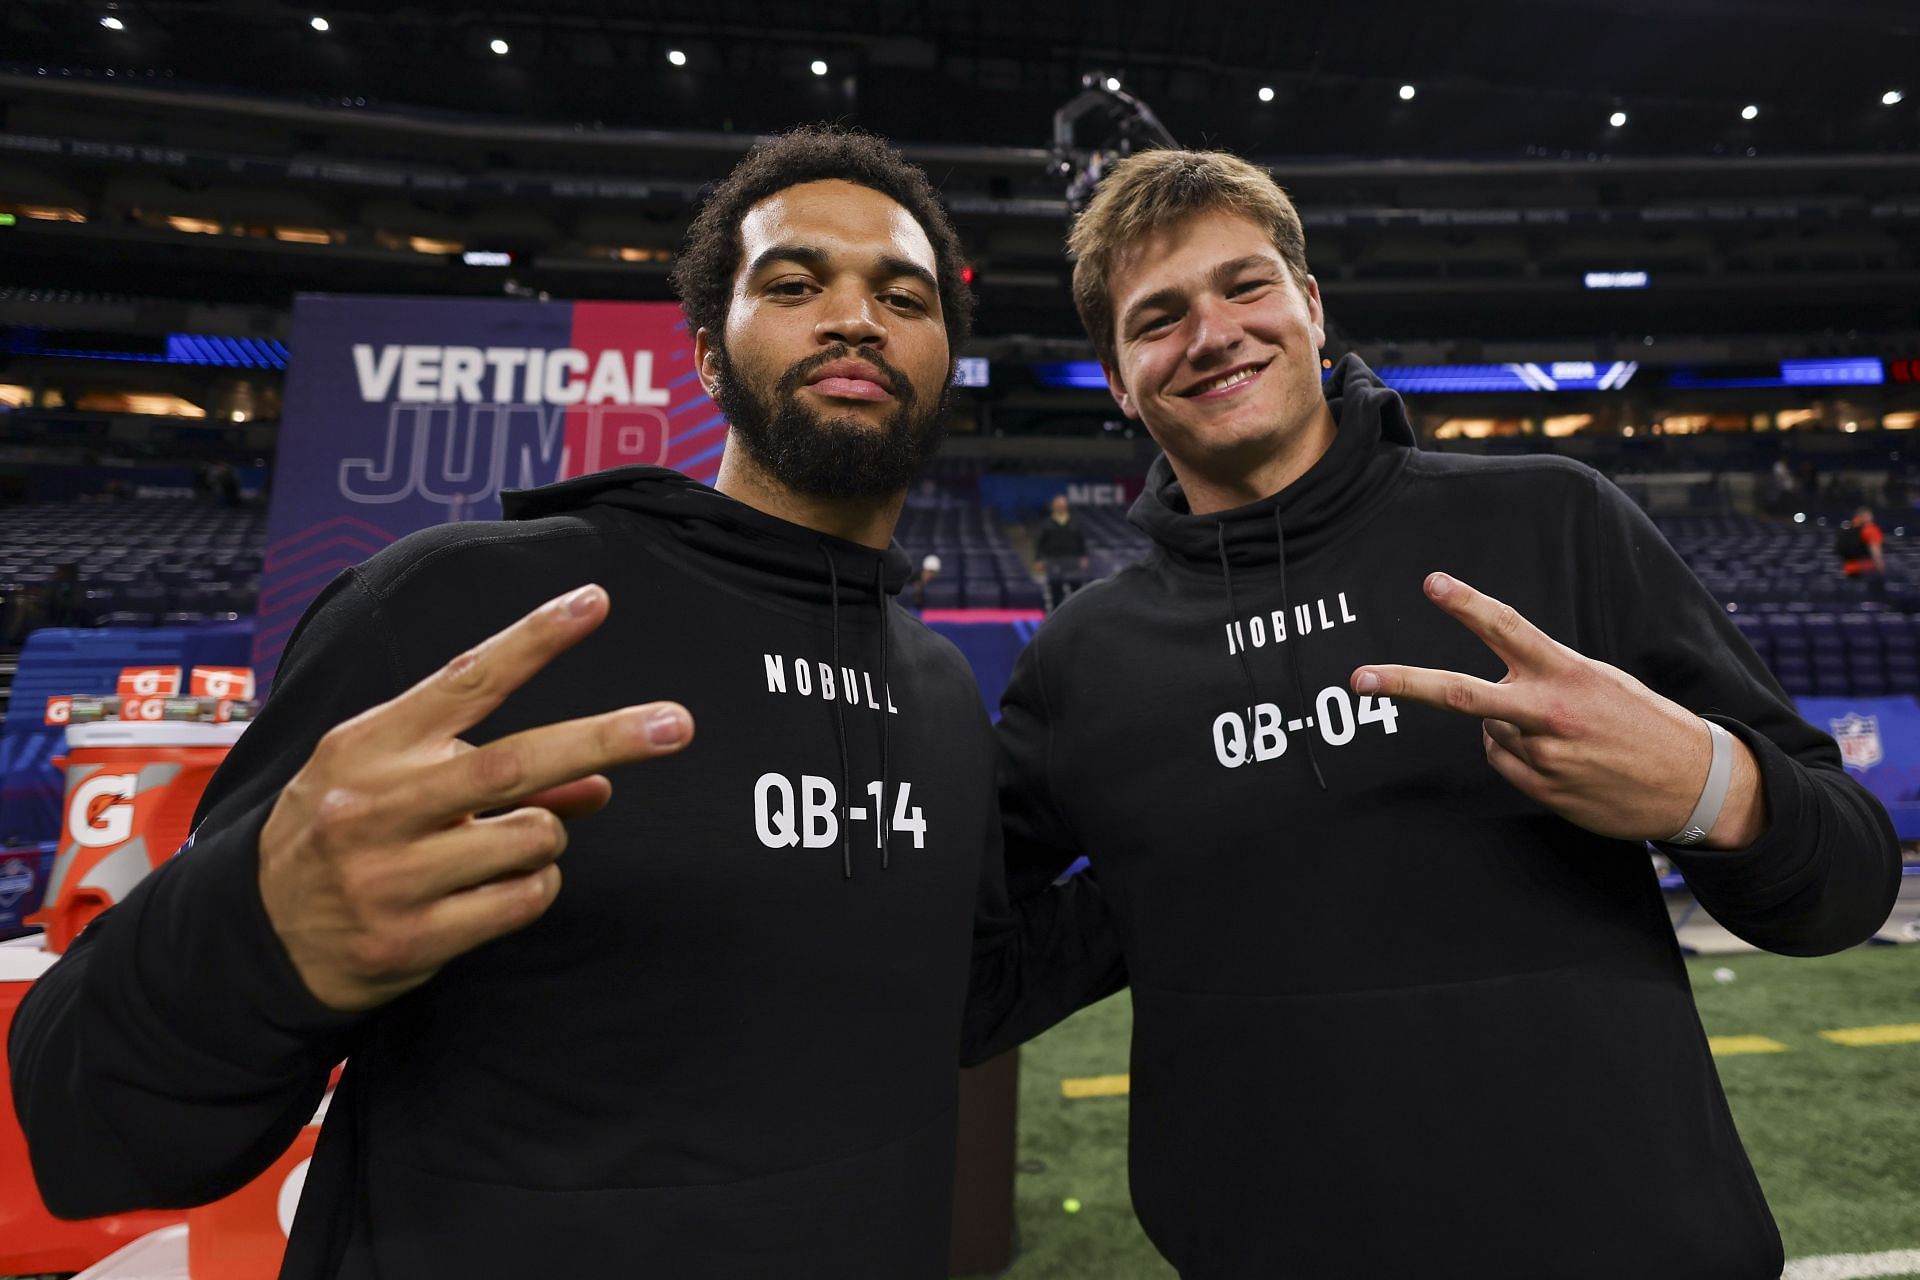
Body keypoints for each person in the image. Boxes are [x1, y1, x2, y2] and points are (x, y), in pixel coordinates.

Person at [11, 127, 1120, 1279]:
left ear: (940, 358)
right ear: (705, 352)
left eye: (904, 294)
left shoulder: (939, 687)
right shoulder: (464, 605)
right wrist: (253, 929)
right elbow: (86, 1117)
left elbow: (962, 995)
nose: (856, 316)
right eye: (793, 283)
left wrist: (1235, 824)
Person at [992, 148, 1899, 1279]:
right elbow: (963, 972)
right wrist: (1154, 881)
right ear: (1120, 379)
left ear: (1311, 307)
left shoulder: (1550, 521)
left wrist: (1707, 785)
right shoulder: (1082, 657)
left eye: (1246, 285)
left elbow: (1847, 882)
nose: (1213, 332)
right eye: (1158, 316)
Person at [1032, 493, 1091, 610]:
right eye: (1058, 505)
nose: (1061, 507)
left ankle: (1076, 616)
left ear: (1066, 506)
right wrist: (1038, 559)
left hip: (1072, 561)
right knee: (1055, 591)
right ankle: (1055, 617)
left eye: (1063, 505)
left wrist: (1084, 557)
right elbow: (1039, 543)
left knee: (1076, 592)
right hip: (1053, 561)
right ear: (1053, 506)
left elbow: (1081, 541)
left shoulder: (1075, 521)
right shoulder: (1046, 523)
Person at [1838, 504, 1885, 582]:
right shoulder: (1870, 529)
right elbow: (1875, 551)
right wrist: (1881, 570)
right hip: (1867, 571)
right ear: (1866, 516)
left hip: (1849, 572)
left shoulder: (1846, 530)